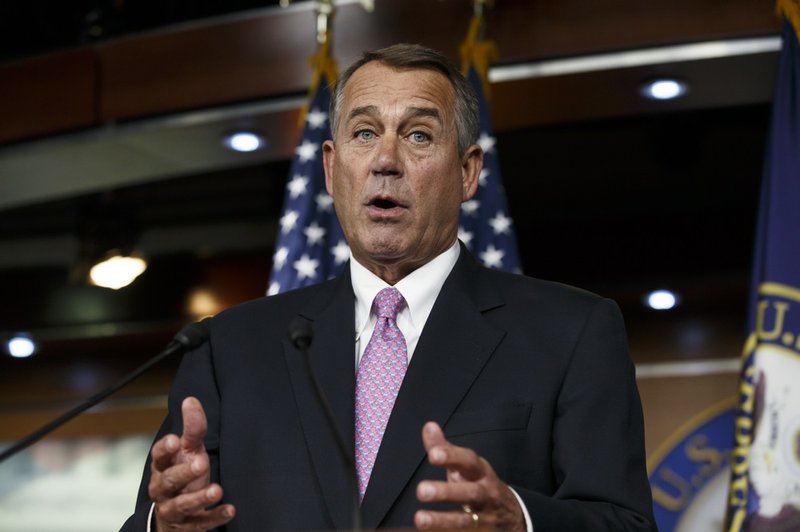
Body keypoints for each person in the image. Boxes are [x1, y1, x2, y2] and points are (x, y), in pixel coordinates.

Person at [121, 43, 656, 531]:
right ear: (331, 169)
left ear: (468, 173)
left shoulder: (571, 332)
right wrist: (162, 526)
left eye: (419, 135)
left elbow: (626, 523)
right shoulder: (228, 347)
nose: (385, 161)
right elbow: (157, 517)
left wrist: (521, 519)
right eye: (365, 133)